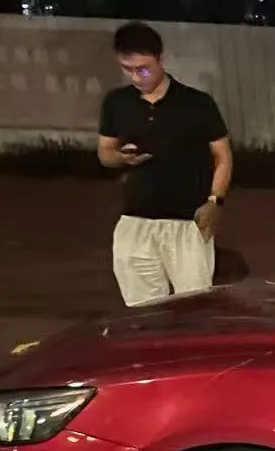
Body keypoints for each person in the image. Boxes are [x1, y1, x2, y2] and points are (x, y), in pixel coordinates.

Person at [97, 22, 233, 306]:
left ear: (161, 59)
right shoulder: (116, 102)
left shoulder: (197, 103)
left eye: (144, 69)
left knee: (195, 309)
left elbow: (223, 156)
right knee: (141, 312)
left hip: (187, 222)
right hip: (135, 222)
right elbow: (105, 153)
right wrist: (121, 157)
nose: (136, 77)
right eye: (127, 69)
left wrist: (215, 201)